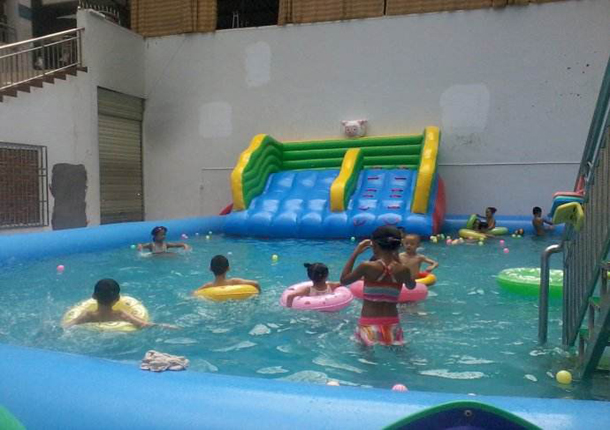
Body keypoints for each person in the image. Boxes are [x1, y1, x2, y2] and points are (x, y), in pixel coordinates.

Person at [340, 226, 415, 346]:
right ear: (397, 246)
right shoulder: (403, 270)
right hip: (393, 324)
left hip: (368, 324)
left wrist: (356, 253)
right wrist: (399, 262)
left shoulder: (367, 266)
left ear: (374, 245)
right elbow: (411, 286)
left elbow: (344, 280)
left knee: (366, 357)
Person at [63, 279, 177, 329]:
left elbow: (68, 326)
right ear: (117, 298)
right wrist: (165, 326)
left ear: (94, 296)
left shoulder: (88, 315)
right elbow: (143, 325)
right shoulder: (121, 314)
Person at [194, 255, 260, 293]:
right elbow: (256, 284)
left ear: (210, 269)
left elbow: (194, 293)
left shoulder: (208, 286)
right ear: (228, 268)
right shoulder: (235, 282)